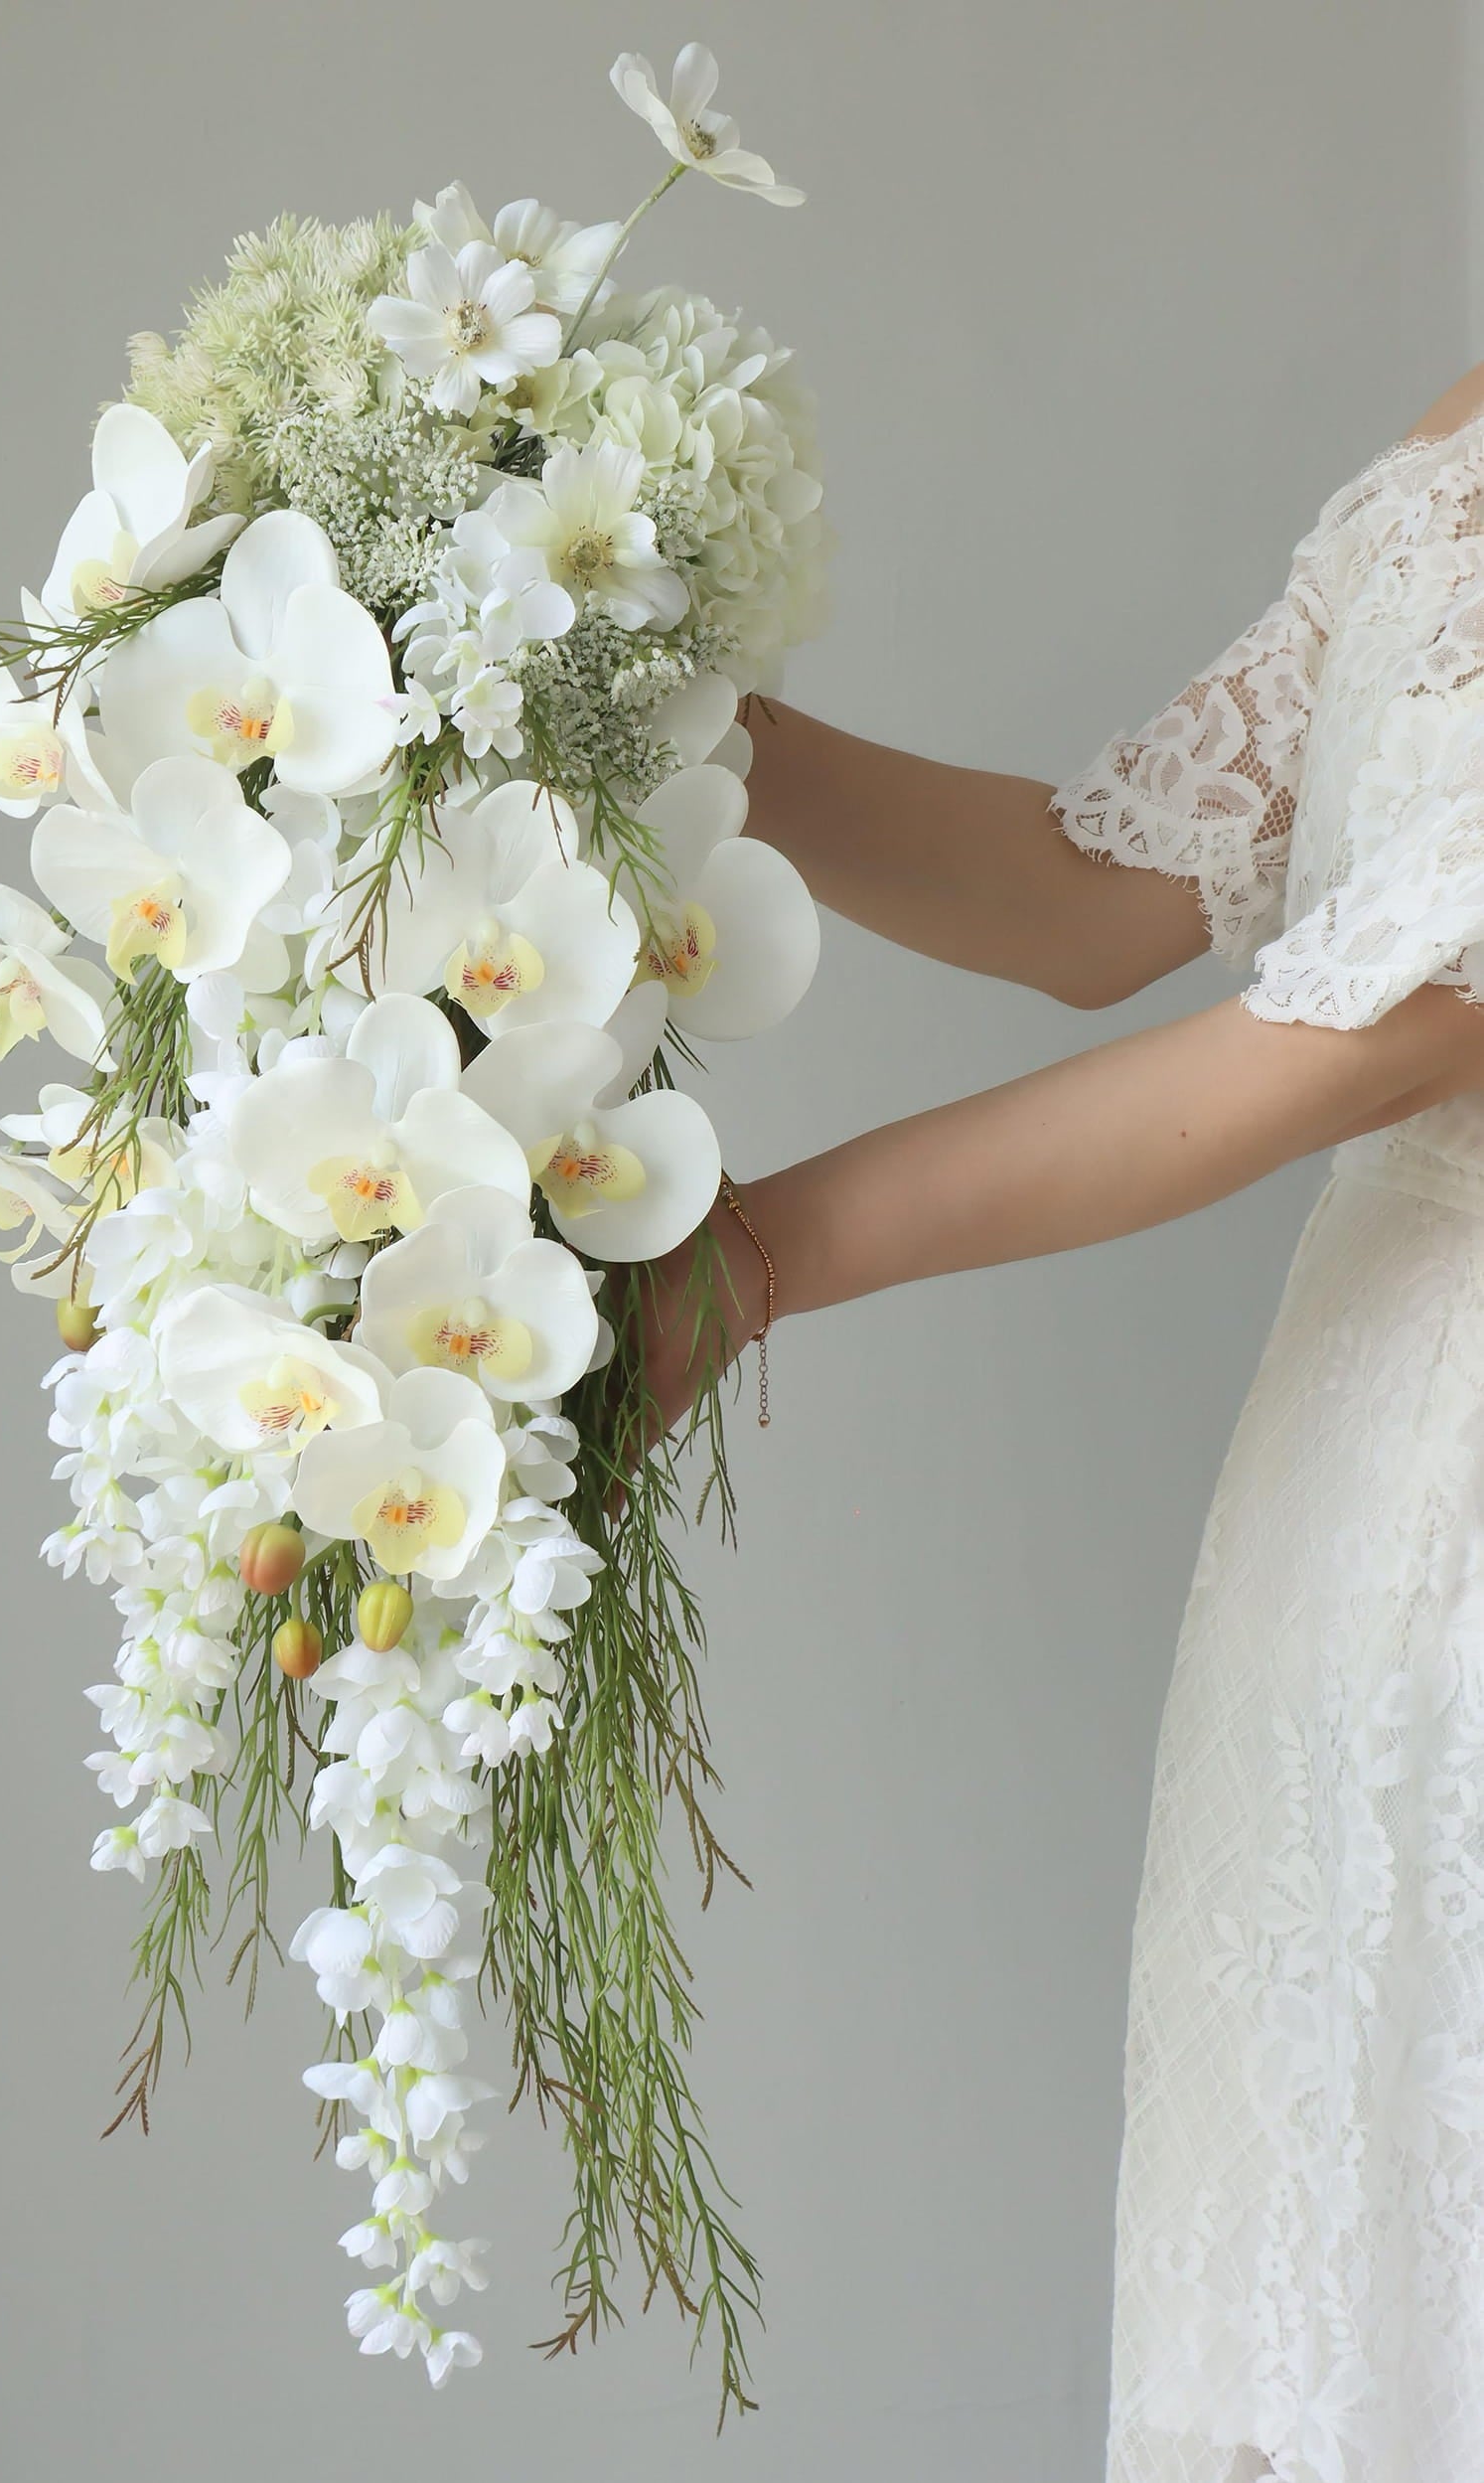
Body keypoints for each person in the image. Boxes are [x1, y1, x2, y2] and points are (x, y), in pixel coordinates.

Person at [649, 365, 1484, 2483]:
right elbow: (1082, 898)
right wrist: (636, 704)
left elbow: (1364, 1035)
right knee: (1332, 2251)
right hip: (1353, 1481)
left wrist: (744, 1259)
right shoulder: (1450, 435)